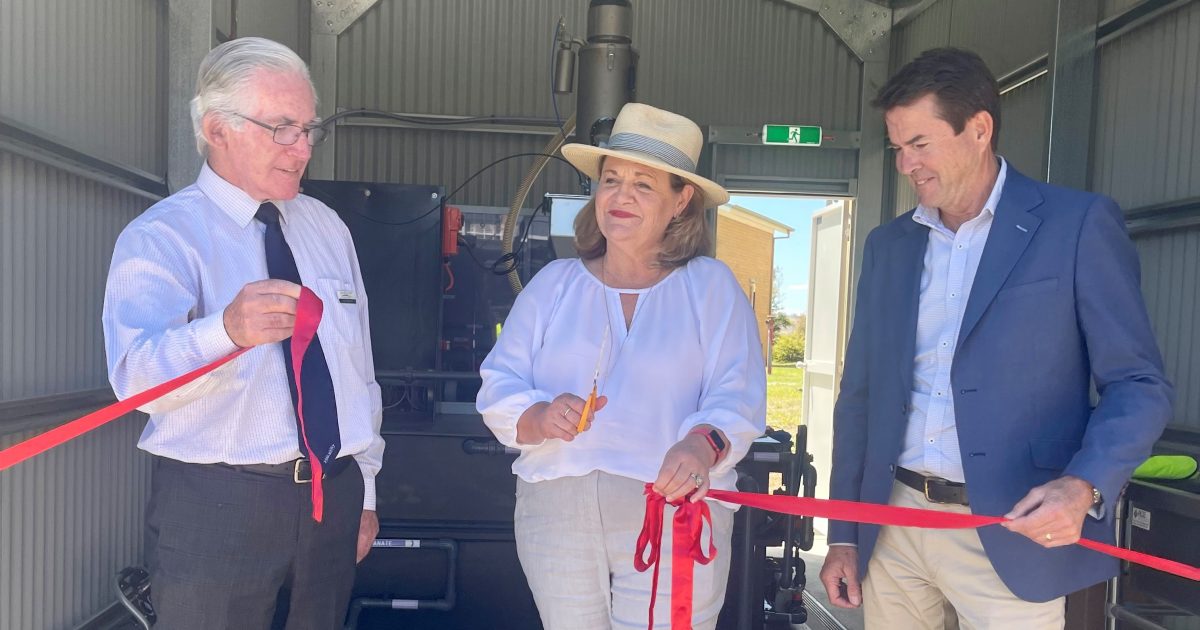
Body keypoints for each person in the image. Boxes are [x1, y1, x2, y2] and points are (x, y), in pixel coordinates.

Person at [818, 47, 1173, 628]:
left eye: (920, 145)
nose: (906, 165)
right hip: (894, 523)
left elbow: (1139, 383)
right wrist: (845, 533)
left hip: (1013, 528)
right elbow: (860, 396)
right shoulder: (889, 246)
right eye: (898, 148)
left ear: (979, 128)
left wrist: (1084, 485)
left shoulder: (1076, 225)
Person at [102, 37, 384, 629]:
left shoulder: (327, 228)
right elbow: (135, 382)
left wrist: (367, 490)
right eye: (282, 128)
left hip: (333, 498)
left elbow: (358, 370)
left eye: (309, 129)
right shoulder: (162, 238)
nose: (302, 148)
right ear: (218, 129)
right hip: (218, 506)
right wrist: (224, 332)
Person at [476, 103, 767, 630]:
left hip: (673, 504)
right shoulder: (554, 285)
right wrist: (539, 416)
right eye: (611, 180)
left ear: (682, 201)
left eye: (643, 184)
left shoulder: (711, 287)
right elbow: (498, 384)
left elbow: (738, 394)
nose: (621, 196)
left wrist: (700, 445)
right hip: (557, 508)